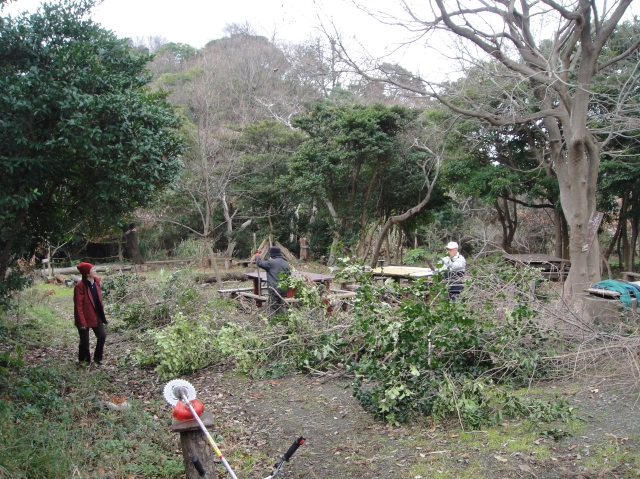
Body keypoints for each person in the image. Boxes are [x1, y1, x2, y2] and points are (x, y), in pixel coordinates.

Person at [74, 262, 108, 365]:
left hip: (96, 314)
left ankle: (98, 358)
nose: (95, 271)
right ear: (87, 274)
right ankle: (84, 362)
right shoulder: (79, 286)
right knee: (84, 342)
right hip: (84, 316)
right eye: (93, 269)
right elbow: (78, 306)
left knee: (102, 336)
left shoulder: (96, 282)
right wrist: (81, 322)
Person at [253, 246, 290, 318]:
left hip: (274, 291)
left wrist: (257, 256)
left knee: (272, 307)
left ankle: (272, 324)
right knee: (281, 306)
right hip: (283, 291)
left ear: (271, 255)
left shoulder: (271, 262)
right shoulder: (286, 263)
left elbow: (259, 263)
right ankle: (284, 323)